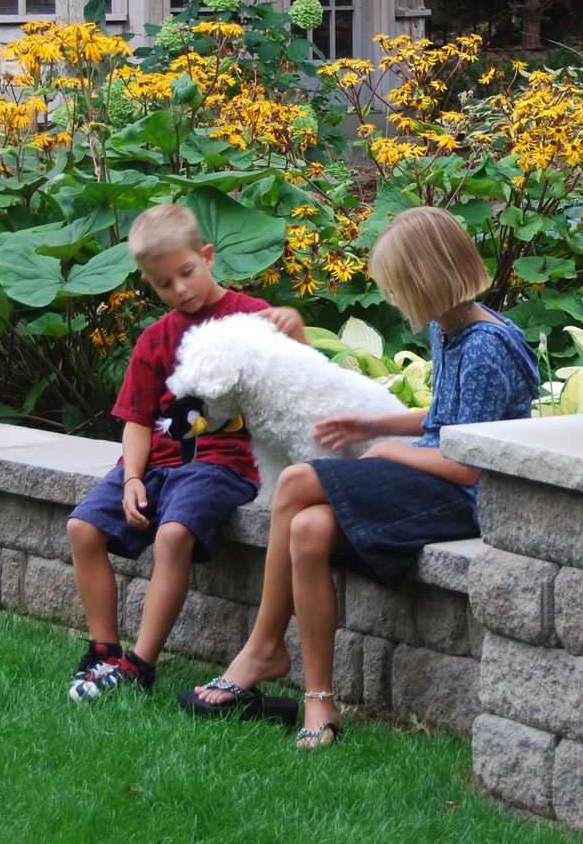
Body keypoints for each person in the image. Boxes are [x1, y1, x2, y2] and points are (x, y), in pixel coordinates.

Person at [179, 206, 539, 748]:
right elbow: (449, 418)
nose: (391, 298)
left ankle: (263, 649)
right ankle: (319, 702)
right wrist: (372, 423)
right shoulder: (453, 326)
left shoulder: (485, 345)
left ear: (426, 280)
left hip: (471, 497)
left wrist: (387, 453)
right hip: (441, 479)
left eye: (396, 288)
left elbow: (468, 462)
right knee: (307, 529)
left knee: (299, 481)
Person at [64, 203, 304, 700]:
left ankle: (140, 665)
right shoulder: (156, 339)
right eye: (163, 284)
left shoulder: (250, 317)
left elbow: (296, 376)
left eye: (186, 273)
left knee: (173, 535)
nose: (179, 290)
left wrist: (293, 326)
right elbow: (136, 420)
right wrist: (131, 478)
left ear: (208, 256)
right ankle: (103, 651)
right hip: (157, 463)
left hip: (223, 462)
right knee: (82, 528)